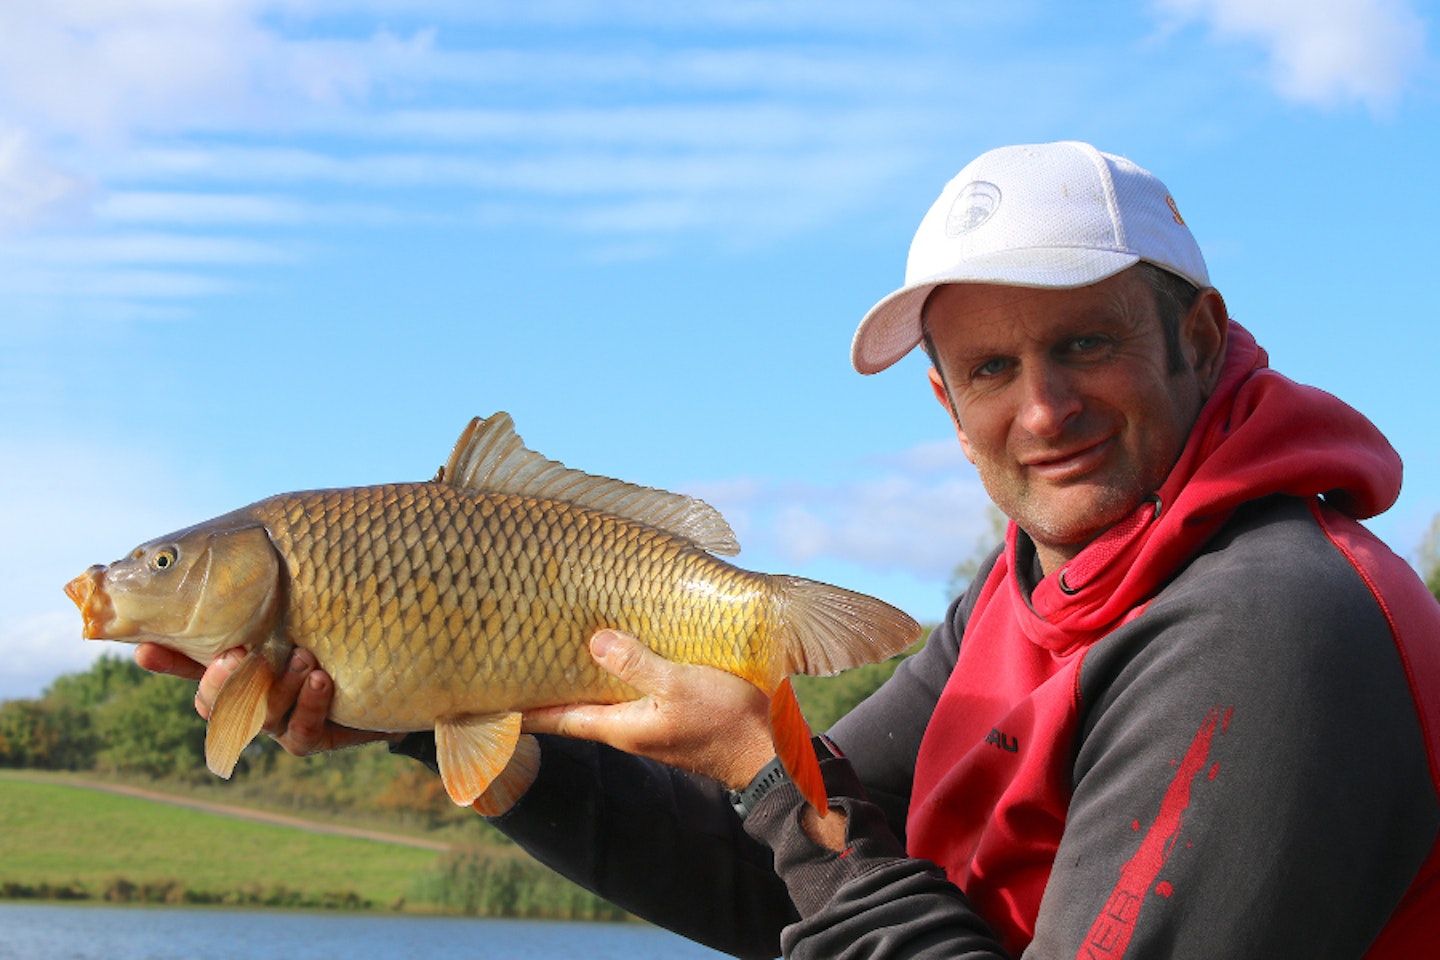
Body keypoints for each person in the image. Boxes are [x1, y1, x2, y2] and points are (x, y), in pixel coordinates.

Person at [139, 141, 1440, 959]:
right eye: (991, 366)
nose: (1041, 411)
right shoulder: (1030, 588)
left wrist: (766, 771)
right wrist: (439, 715)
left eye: (1087, 343)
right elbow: (768, 867)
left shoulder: (1268, 630)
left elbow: (790, 823)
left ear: (1200, 338)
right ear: (944, 403)